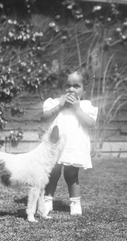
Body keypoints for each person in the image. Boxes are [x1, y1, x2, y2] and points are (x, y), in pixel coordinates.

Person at [40, 67, 98, 215]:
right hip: (55, 145)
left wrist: (77, 109)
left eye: (76, 86)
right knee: (52, 173)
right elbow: (44, 118)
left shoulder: (85, 106)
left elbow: (90, 123)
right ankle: (47, 200)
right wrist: (59, 106)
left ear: (84, 90)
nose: (71, 89)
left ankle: (75, 203)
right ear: (62, 87)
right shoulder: (55, 102)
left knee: (72, 176)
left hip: (74, 146)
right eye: (67, 85)